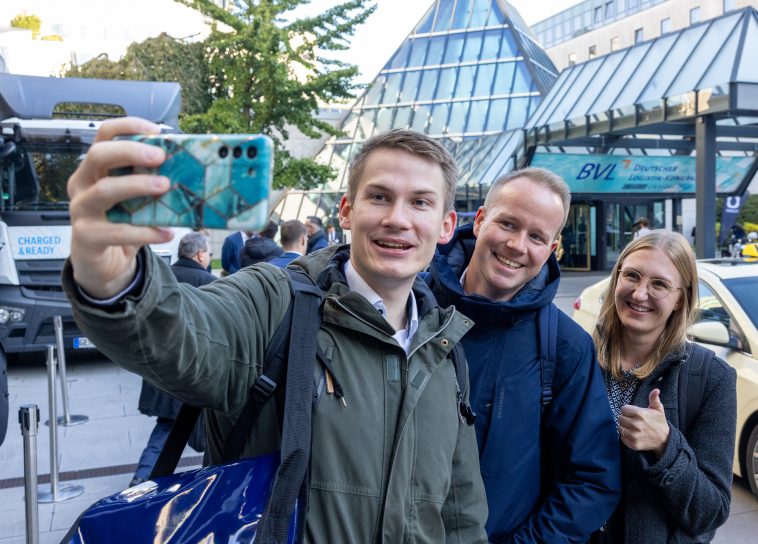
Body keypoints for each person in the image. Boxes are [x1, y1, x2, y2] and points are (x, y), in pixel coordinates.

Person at [62, 120, 489, 543]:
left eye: (420, 203)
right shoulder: (274, 302)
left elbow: (460, 514)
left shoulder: (446, 347)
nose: (398, 219)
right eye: (379, 196)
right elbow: (183, 335)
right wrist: (117, 280)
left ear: (447, 225)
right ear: (347, 210)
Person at [424, 167, 621, 543]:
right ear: (480, 221)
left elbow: (591, 480)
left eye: (536, 236)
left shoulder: (565, 346)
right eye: (508, 224)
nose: (517, 245)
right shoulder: (408, 306)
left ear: (551, 249)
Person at [591, 230, 737, 544]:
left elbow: (710, 512)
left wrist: (665, 446)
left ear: (681, 298)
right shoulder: (577, 360)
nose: (640, 293)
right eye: (631, 275)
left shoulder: (711, 379)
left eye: (659, 284)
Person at [130, 232, 214, 486]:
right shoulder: (211, 282)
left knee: (166, 426)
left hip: (161, 369)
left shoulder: (159, 280)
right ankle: (210, 482)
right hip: (197, 371)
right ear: (200, 254)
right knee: (211, 431)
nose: (209, 257)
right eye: (209, 252)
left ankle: (143, 477)